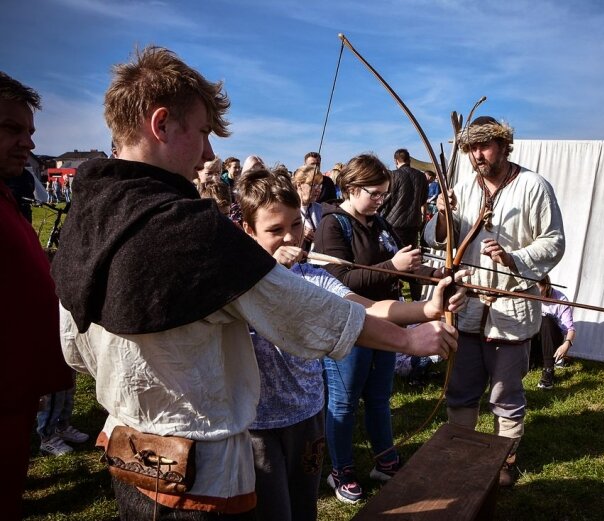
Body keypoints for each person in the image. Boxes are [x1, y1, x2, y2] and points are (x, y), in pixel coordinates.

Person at [50, 46, 457, 520]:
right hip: (196, 467)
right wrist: (408, 339)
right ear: (160, 125)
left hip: (125, 444)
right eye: (202, 132)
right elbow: (303, 311)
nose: (208, 152)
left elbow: (74, 350)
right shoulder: (191, 231)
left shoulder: (89, 213)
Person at [235, 166, 466, 521]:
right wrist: (267, 270)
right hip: (258, 426)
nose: (289, 238)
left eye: (295, 225)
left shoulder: (310, 275)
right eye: (274, 230)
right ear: (248, 230)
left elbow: (369, 308)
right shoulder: (237, 283)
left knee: (304, 508)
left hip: (308, 414)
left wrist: (428, 308)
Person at [424, 115, 565, 487]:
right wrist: (441, 214)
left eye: (484, 146)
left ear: (504, 145)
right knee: (461, 392)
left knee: (506, 396)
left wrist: (514, 257)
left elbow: (554, 241)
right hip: (467, 307)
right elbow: (439, 239)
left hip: (511, 309)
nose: (476, 155)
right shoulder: (464, 186)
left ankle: (505, 462)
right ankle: (462, 456)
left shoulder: (534, 186)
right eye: (470, 148)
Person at [313, 153, 445, 504]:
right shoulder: (332, 225)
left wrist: (437, 276)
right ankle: (340, 470)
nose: (380, 200)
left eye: (384, 194)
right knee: (343, 403)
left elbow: (403, 265)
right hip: (348, 328)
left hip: (385, 321)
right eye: (375, 193)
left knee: (378, 397)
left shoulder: (379, 222)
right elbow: (338, 280)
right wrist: (392, 265)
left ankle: (384, 461)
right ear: (352, 188)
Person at [0, 70, 73, 520]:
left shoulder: (8, 200)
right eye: (10, 128)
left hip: (17, 398)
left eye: (29, 132)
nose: (27, 143)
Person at [380, 149, 429, 300]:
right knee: (413, 261)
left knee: (393, 262)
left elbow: (386, 199)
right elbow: (422, 200)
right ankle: (415, 297)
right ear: (409, 159)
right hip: (413, 224)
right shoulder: (421, 176)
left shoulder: (394, 175)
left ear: (396, 161)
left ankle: (394, 295)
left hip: (393, 225)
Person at [529, 275, 576, 390]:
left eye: (538, 290)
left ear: (546, 286)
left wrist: (567, 344)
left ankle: (548, 371)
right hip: (533, 340)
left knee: (546, 319)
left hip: (551, 340)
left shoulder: (561, 299)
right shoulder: (529, 295)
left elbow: (570, 329)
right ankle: (530, 361)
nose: (536, 294)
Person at [291, 163, 323, 251]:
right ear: (299, 185)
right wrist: (298, 230)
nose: (318, 189)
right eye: (313, 185)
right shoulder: (288, 208)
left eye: (319, 185)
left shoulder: (321, 209)